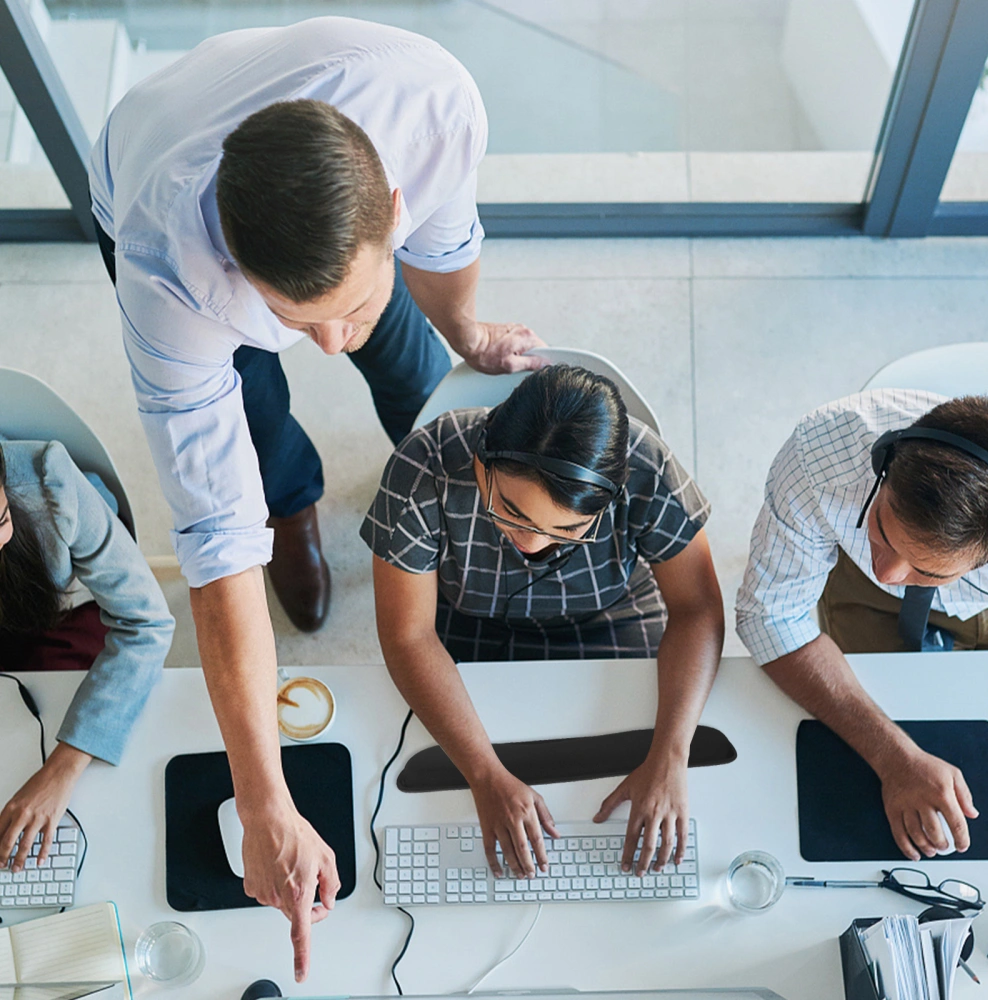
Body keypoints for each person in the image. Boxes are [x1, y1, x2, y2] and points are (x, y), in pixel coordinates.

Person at [88, 18, 542, 978]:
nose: (329, 344)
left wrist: (460, 329)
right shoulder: (168, 272)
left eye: (348, 307)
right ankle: (296, 505)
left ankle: (425, 462)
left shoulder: (432, 104)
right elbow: (216, 543)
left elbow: (448, 237)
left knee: (411, 363)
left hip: (342, 158)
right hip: (143, 159)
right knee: (253, 414)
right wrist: (266, 803)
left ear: (394, 204)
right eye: (302, 321)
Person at [362, 365, 725, 880]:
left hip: (610, 615)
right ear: (481, 461)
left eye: (569, 530)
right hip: (470, 620)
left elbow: (698, 609)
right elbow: (408, 634)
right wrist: (485, 776)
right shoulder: (423, 467)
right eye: (512, 512)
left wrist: (671, 755)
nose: (532, 544)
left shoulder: (647, 466)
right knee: (442, 790)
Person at [737, 389, 988, 863]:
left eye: (927, 569)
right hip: (854, 591)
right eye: (882, 527)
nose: (889, 575)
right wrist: (895, 759)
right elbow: (771, 617)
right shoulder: (820, 455)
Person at [0, 439, 174, 870]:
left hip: (63, 610)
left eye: (1, 518)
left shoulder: (49, 484)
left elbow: (146, 623)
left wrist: (61, 769)